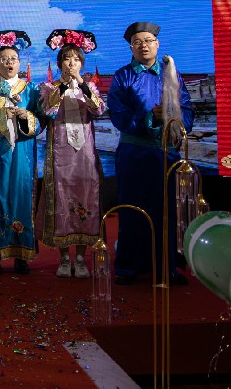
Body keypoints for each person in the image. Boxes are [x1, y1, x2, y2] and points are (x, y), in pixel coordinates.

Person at [107, 22, 194, 286]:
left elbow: (187, 108)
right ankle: (128, 267)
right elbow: (118, 114)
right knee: (132, 210)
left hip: (166, 152)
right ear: (131, 48)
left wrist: (174, 119)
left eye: (148, 41)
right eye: (137, 42)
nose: (143, 46)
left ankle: (166, 267)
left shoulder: (171, 74)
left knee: (167, 211)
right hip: (134, 153)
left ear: (157, 44)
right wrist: (149, 118)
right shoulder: (123, 76)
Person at [37, 30, 106, 279]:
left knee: (86, 196)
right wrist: (64, 86)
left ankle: (81, 257)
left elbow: (98, 110)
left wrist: (83, 86)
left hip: (84, 153)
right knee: (61, 198)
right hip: (61, 152)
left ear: (81, 64)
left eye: (76, 59)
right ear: (59, 63)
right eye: (67, 59)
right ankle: (64, 257)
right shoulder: (49, 87)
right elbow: (48, 111)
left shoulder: (89, 87)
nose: (71, 63)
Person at [0, 30, 44, 275]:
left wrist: (26, 116)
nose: (9, 63)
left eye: (13, 59)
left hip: (23, 152)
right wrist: (0, 120)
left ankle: (22, 253)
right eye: (3, 59)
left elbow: (41, 122)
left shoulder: (31, 90)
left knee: (22, 195)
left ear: (20, 63)